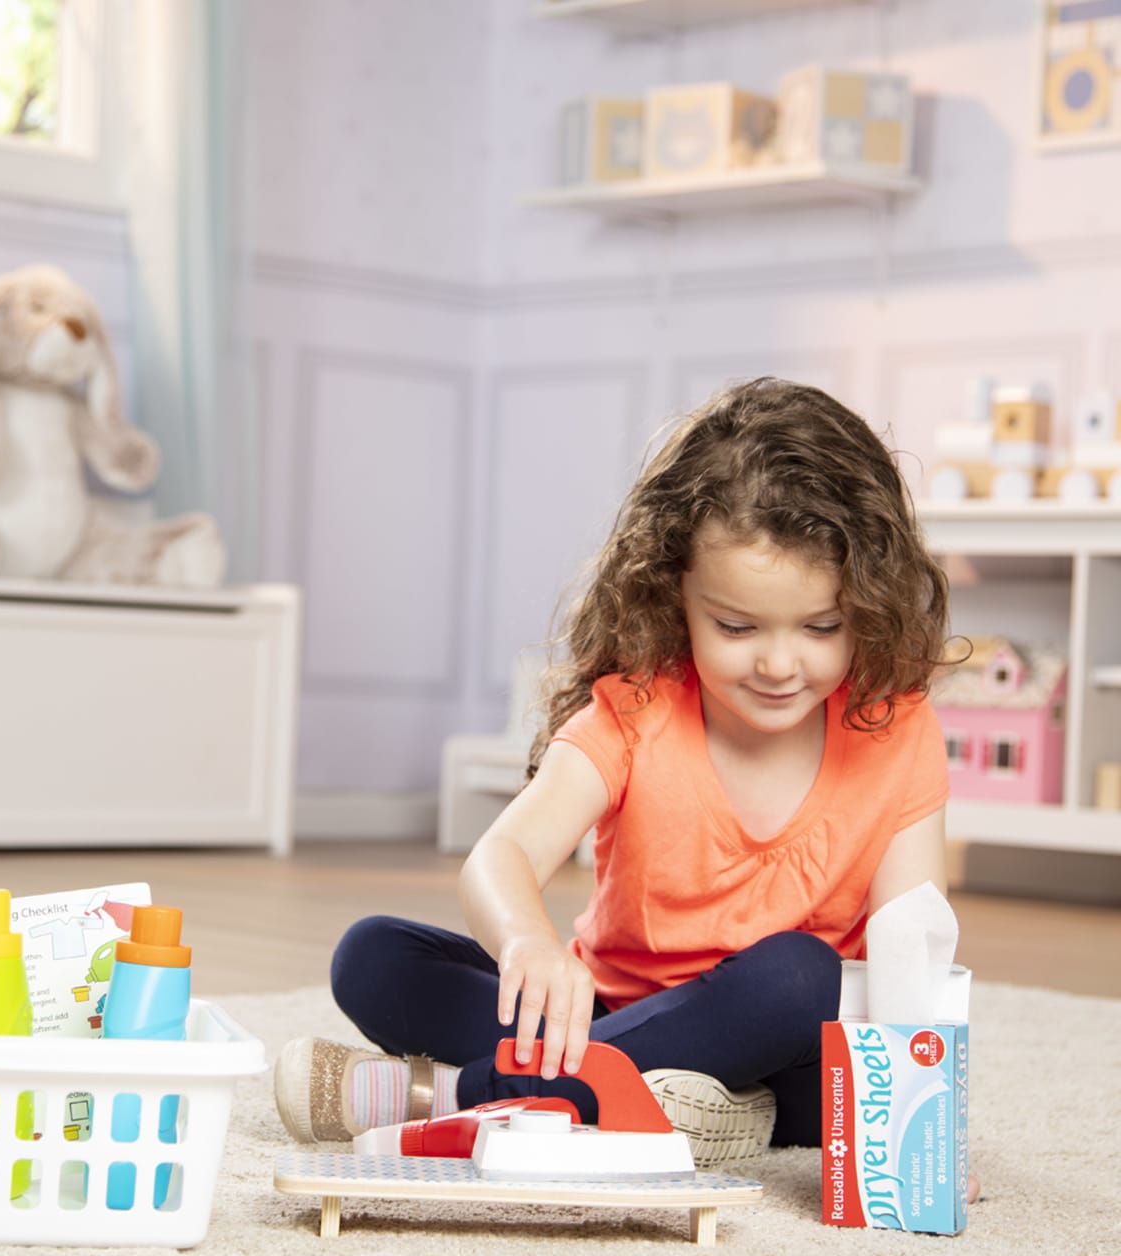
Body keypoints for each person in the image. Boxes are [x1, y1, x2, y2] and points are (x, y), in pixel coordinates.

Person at [274, 376, 959, 1171]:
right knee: (374, 955)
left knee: (802, 979)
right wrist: (530, 943)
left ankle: (470, 1095)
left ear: (869, 606)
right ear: (678, 597)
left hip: (783, 1047)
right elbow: (502, 857)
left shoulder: (896, 728)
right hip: (604, 1016)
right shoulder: (636, 711)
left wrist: (921, 1117)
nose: (779, 663)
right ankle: (659, 1103)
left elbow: (912, 949)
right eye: (736, 626)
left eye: (822, 627)